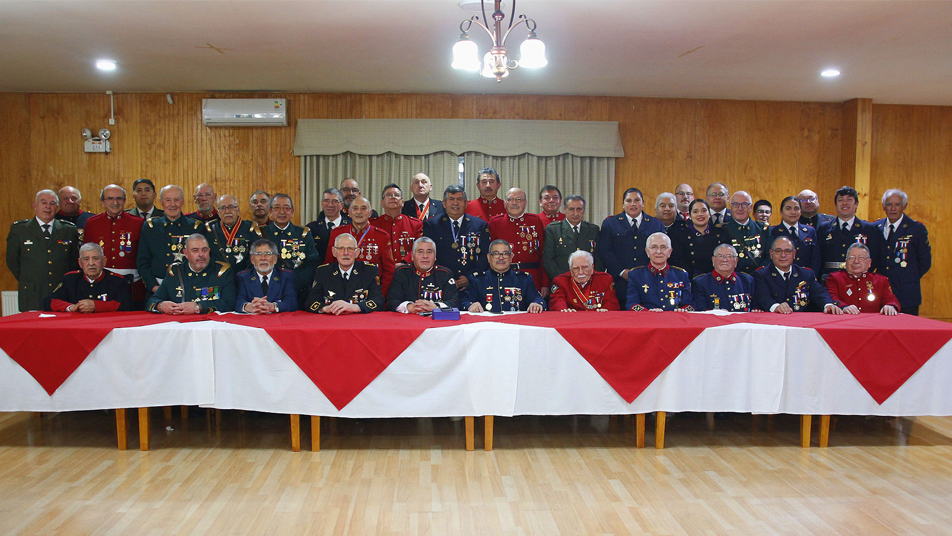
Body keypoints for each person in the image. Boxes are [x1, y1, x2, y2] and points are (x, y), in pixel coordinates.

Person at [6, 190, 80, 311]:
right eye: (43, 202)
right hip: (32, 293)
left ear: (57, 207)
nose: (47, 207)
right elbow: (12, 261)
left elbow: (73, 262)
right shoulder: (20, 230)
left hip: (61, 293)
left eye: (52, 203)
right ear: (35, 206)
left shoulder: (68, 230)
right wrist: (30, 279)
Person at [598, 187, 665, 308]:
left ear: (643, 203)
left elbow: (663, 252)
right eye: (629, 201)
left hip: (650, 281)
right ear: (623, 204)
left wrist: (646, 273)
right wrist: (622, 272)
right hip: (620, 283)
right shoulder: (610, 223)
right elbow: (604, 251)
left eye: (637, 200)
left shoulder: (656, 224)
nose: (633, 204)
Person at [83, 184, 145, 307]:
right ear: (103, 202)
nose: (115, 202)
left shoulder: (138, 223)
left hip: (132, 286)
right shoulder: (92, 223)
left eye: (119, 198)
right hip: (101, 285)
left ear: (125, 201)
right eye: (110, 198)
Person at [137, 185, 203, 295]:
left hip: (189, 288)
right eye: (168, 200)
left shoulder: (195, 227)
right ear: (161, 202)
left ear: (182, 201)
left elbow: (202, 260)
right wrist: (154, 287)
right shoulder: (150, 227)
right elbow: (142, 261)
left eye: (176, 200)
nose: (172, 204)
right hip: (157, 289)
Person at [874, 188, 931, 316]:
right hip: (881, 292)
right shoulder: (875, 227)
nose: (893, 208)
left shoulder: (916, 229)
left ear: (904, 206)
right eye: (889, 204)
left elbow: (925, 262)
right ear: (884, 207)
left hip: (907, 293)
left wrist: (907, 277)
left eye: (897, 204)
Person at [422, 185, 490, 292]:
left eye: (460, 199)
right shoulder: (432, 225)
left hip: (471, 285)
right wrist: (446, 277)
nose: (455, 203)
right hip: (440, 283)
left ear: (466, 203)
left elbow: (485, 256)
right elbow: (429, 254)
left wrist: (469, 277)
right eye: (451, 199)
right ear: (444, 203)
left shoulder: (479, 225)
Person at [146, 233, 236, 314]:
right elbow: (153, 300)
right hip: (179, 326)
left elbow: (229, 303)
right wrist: (161, 305)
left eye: (204, 250)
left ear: (209, 251)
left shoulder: (222, 272)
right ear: (186, 253)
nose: (201, 254)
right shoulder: (175, 271)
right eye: (195, 250)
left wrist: (199, 306)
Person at [326, 196, 396, 296]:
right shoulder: (337, 233)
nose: (359, 212)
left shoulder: (382, 236)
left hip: (371, 294)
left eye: (363, 208)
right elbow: (329, 265)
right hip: (341, 293)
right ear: (349, 213)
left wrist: (380, 296)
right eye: (355, 208)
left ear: (370, 213)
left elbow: (389, 271)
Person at [753, 236, 841, 314]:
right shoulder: (761, 274)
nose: (783, 255)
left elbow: (819, 292)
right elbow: (763, 297)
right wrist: (776, 307)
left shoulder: (806, 274)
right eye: (778, 251)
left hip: (802, 322)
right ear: (771, 254)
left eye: (787, 251)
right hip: (774, 321)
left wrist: (828, 305)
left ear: (794, 254)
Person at [304, 233, 383, 314]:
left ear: (357, 252)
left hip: (359, 320)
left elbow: (378, 300)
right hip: (331, 320)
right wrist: (325, 308)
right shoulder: (323, 272)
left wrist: (356, 307)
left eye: (350, 249)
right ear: (334, 252)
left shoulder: (369, 271)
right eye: (341, 248)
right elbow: (311, 301)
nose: (346, 253)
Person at [489, 187, 548, 295]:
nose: (514, 203)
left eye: (519, 199)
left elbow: (543, 253)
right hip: (504, 276)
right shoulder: (495, 222)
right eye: (510, 199)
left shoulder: (535, 220)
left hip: (532, 277)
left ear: (525, 203)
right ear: (505, 203)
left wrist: (545, 283)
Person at [262, 193, 319, 304]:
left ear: (292, 212)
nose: (282, 212)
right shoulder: (261, 234)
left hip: (298, 293)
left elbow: (312, 264)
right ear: (270, 211)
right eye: (277, 208)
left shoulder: (303, 234)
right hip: (267, 293)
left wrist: (293, 284)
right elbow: (253, 263)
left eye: (286, 208)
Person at [816, 185, 883, 281]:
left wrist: (860, 272)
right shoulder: (824, 228)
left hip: (859, 280)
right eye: (840, 200)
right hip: (830, 279)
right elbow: (818, 257)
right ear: (835, 205)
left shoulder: (868, 229)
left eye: (849, 200)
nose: (844, 203)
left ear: (856, 204)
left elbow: (875, 257)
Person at [460, 239, 545, 313]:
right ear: (489, 257)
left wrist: (536, 304)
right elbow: (464, 302)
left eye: (505, 254)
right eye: (496, 254)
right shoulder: (477, 280)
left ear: (511, 257)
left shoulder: (524, 279)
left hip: (516, 326)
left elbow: (539, 300)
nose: (501, 258)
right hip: (486, 326)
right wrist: (471, 305)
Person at [44, 243, 131, 312]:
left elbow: (125, 305)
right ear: (80, 263)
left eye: (95, 258)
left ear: (104, 261)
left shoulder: (117, 281)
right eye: (86, 259)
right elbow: (49, 301)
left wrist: (96, 306)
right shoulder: (70, 279)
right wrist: (70, 307)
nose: (91, 263)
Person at [626, 232, 695, 312]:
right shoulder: (636, 275)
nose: (658, 251)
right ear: (647, 251)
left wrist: (682, 311)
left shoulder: (681, 275)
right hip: (647, 320)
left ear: (670, 252)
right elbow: (631, 304)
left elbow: (690, 305)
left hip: (675, 320)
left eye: (663, 247)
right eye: (654, 247)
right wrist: (648, 313)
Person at [387, 237, 460, 313]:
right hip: (408, 321)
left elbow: (454, 301)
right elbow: (391, 301)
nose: (425, 256)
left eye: (429, 252)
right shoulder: (402, 273)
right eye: (420, 252)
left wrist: (436, 307)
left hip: (435, 321)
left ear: (435, 257)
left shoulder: (445, 274)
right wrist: (409, 307)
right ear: (412, 256)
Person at [825, 243, 899, 315]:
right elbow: (832, 298)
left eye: (861, 258)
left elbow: (891, 299)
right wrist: (843, 307)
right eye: (852, 258)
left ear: (869, 263)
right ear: (846, 261)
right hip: (844, 320)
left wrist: (890, 306)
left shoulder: (880, 280)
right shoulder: (835, 278)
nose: (856, 261)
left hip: (874, 323)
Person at [542, 194, 601, 282]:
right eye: (571, 209)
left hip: (589, 282)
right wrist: (564, 280)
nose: (575, 213)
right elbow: (548, 260)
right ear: (564, 210)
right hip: (562, 282)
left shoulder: (593, 230)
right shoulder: (553, 230)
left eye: (579, 209)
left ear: (584, 210)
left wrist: (591, 279)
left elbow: (599, 259)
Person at [668, 199, 731, 278]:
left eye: (704, 211)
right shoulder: (679, 235)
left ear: (709, 214)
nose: (700, 214)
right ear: (690, 216)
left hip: (717, 279)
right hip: (690, 279)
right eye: (695, 211)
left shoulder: (721, 234)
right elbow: (677, 262)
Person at [235, 239, 297, 314]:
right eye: (258, 254)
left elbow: (292, 303)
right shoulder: (243, 277)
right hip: (251, 322)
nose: (263, 258)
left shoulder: (287, 276)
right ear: (252, 259)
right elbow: (238, 302)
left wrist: (273, 306)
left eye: (267, 253)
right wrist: (249, 306)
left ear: (275, 258)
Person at [207, 194, 264, 273]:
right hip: (219, 279)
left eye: (231, 207)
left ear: (238, 210)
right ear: (218, 212)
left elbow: (256, 256)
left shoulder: (250, 229)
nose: (227, 211)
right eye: (223, 208)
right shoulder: (211, 230)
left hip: (244, 278)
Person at [691, 244, 757, 311]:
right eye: (720, 256)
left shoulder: (747, 281)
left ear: (736, 261)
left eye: (729, 256)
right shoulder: (701, 283)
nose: (724, 260)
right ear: (713, 260)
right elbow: (700, 311)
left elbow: (755, 308)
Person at [548, 251, 619, 312]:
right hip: (572, 322)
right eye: (576, 268)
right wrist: (564, 310)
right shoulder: (561, 281)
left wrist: (606, 310)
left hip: (599, 321)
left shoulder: (604, 279)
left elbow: (611, 302)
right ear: (570, 270)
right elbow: (557, 302)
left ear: (592, 267)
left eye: (585, 267)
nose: (581, 272)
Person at [721, 191, 770, 275]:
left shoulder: (763, 229)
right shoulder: (723, 230)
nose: (740, 208)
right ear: (731, 207)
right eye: (736, 205)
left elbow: (769, 256)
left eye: (744, 205)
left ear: (751, 207)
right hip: (734, 279)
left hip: (759, 278)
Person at [371, 183, 423, 263]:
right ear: (382, 203)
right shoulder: (373, 225)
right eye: (388, 195)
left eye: (396, 195)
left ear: (402, 202)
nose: (393, 197)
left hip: (407, 270)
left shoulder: (415, 224)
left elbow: (419, 248)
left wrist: (404, 263)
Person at [770, 196, 820, 274]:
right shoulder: (772, 231)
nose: (793, 212)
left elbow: (816, 258)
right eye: (788, 209)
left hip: (806, 277)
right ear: (781, 212)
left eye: (796, 209)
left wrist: (811, 276)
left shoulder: (810, 231)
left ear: (800, 211)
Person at [306, 187, 351, 266]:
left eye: (335, 201)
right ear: (322, 204)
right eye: (326, 201)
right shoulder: (312, 228)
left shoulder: (350, 226)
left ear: (341, 205)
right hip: (319, 272)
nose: (330, 205)